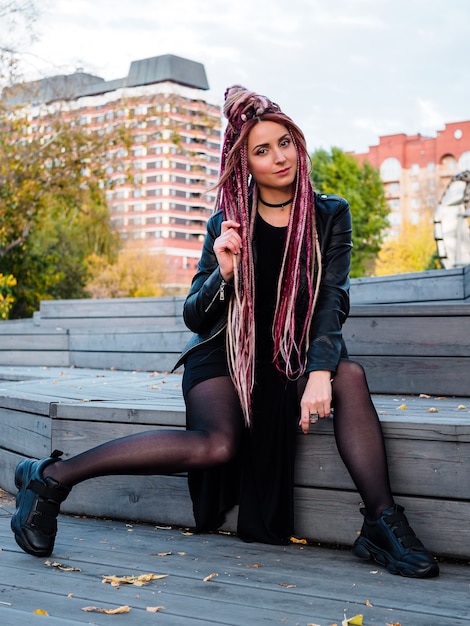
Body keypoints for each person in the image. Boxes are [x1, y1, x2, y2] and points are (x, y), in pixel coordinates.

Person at [11, 85, 439, 579]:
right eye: (262, 150)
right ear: (244, 162)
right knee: (217, 445)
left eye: (285, 142)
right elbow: (195, 316)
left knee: (350, 376)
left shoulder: (329, 213)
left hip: (287, 354)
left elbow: (331, 299)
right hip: (224, 354)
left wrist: (321, 370)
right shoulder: (225, 222)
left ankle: (381, 522)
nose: (279, 157)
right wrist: (225, 272)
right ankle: (50, 479)